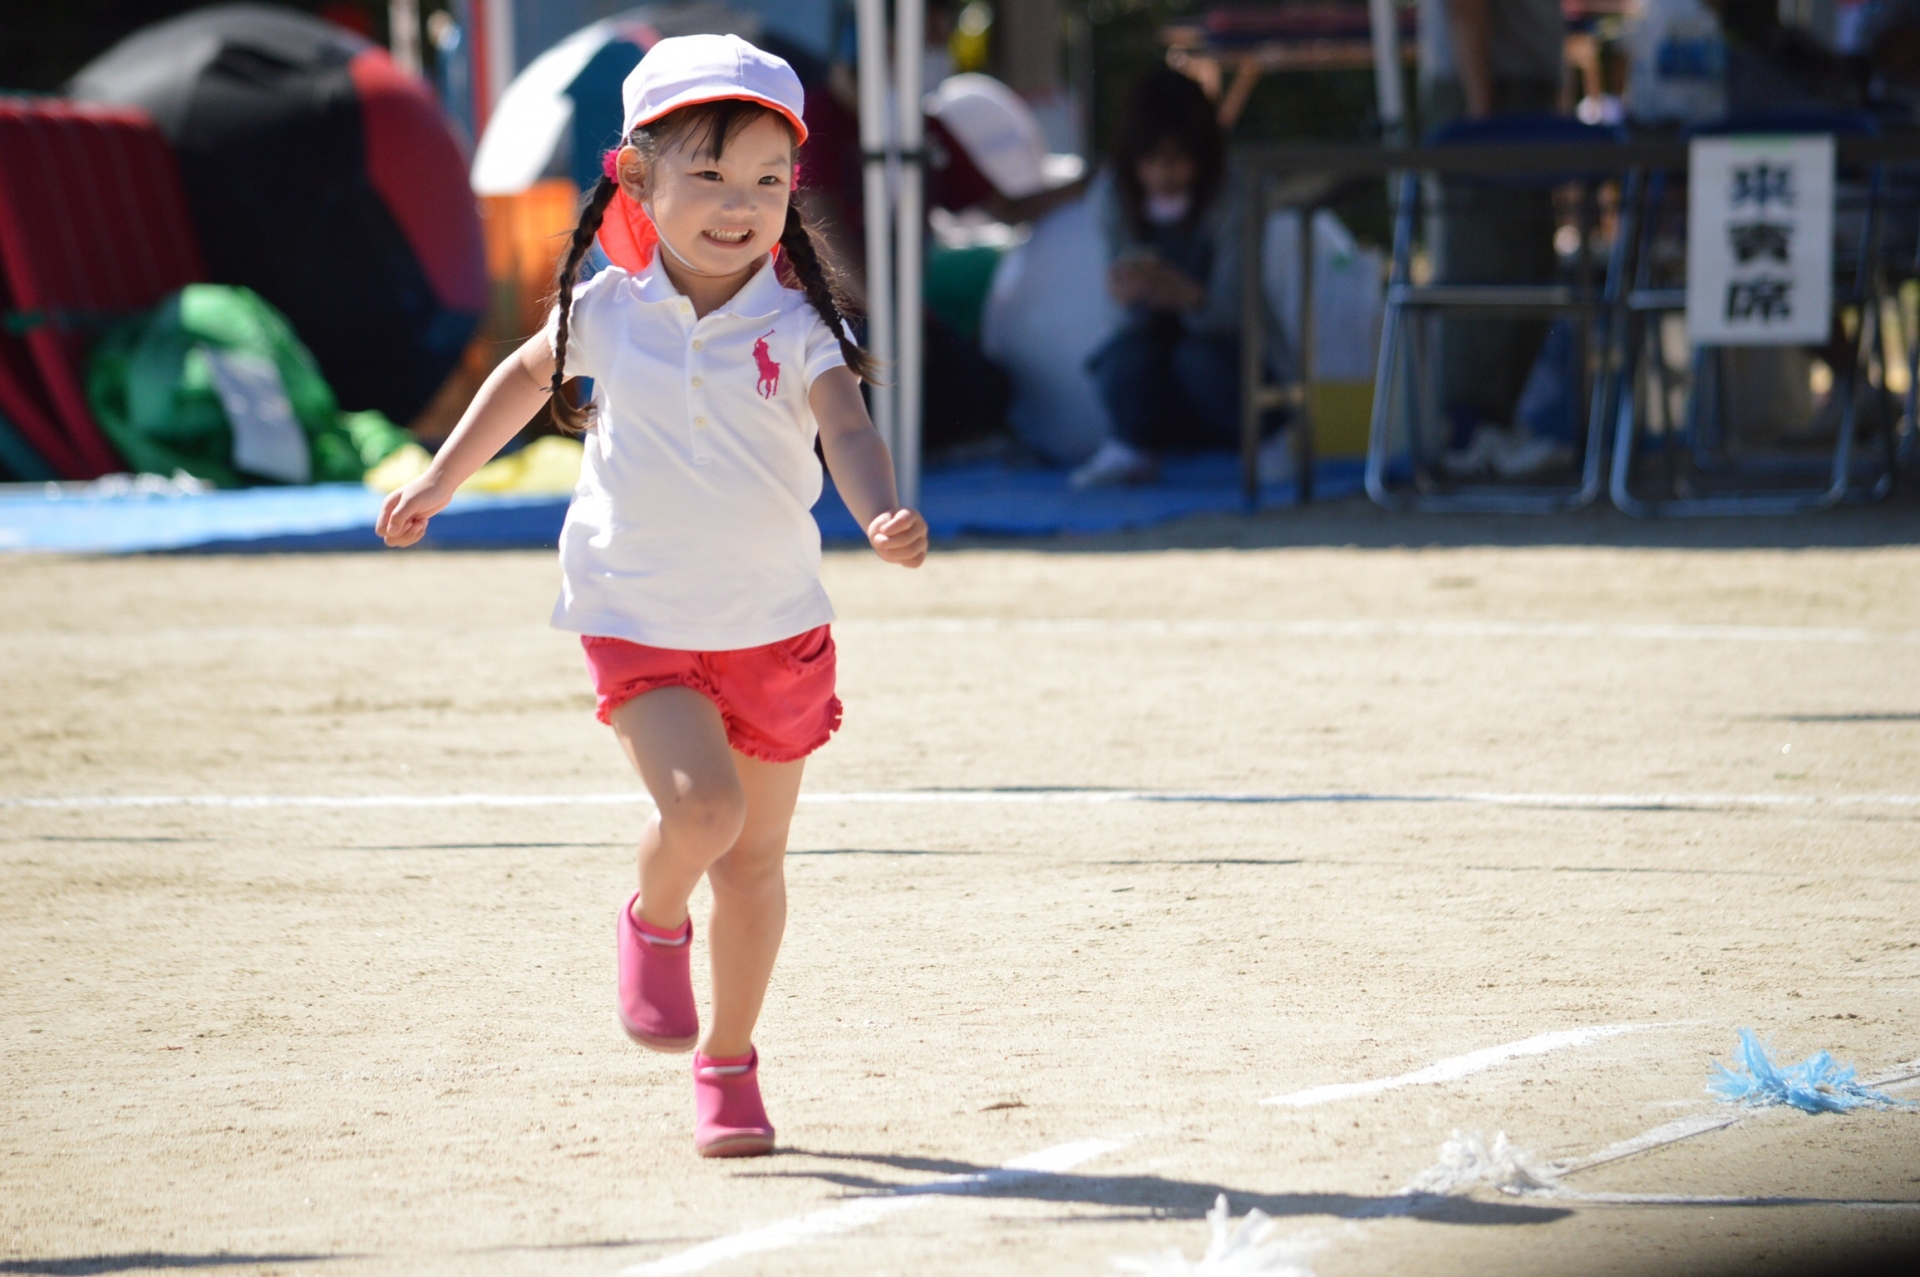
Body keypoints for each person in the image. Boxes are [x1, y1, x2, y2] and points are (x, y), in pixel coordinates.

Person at [375, 35, 928, 1159]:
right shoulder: (608, 306)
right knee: (705, 818)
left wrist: (878, 513)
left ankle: (729, 1060)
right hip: (635, 614)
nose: (742, 205)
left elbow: (850, 430)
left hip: (776, 626)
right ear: (637, 177)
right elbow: (525, 377)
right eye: (713, 174)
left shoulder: (799, 320)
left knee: (759, 864)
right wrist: (437, 478)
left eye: (769, 180)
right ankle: (654, 914)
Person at [1074, 69, 1256, 488]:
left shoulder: (1233, 196)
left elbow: (1239, 309)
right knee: (1123, 360)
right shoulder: (1112, 197)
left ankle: (1258, 444)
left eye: (1177, 159)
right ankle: (1132, 447)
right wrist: (1129, 294)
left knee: (1199, 360)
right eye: (1150, 159)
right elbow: (1116, 321)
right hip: (1150, 352)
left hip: (1223, 357)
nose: (1163, 173)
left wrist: (1190, 298)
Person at [1417, 0, 1568, 476]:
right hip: (1487, 96)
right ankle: (1466, 431)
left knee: (1529, 263)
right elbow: (1464, 7)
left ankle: (1494, 424)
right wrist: (1481, 106)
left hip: (1511, 92)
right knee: (1487, 260)